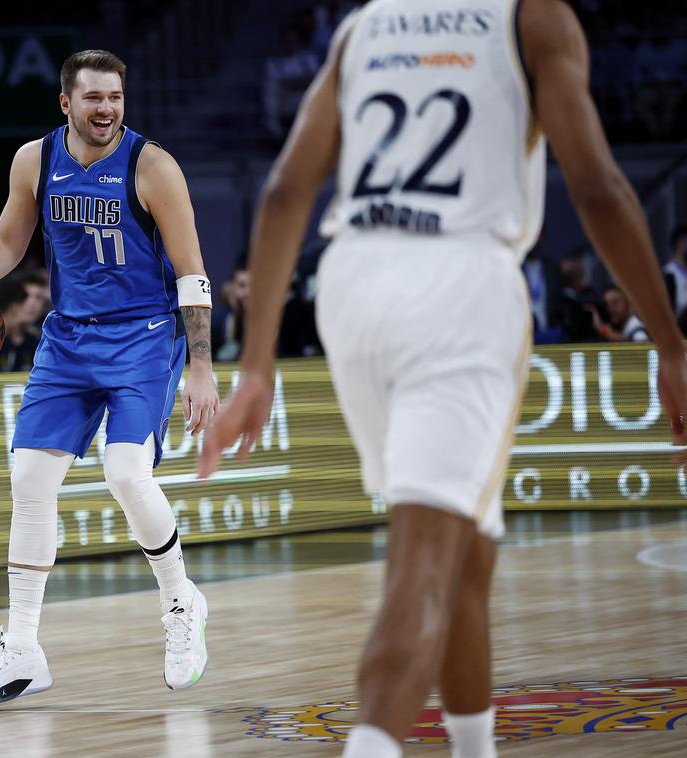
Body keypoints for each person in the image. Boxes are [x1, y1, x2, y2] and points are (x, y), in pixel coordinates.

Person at [198, 1, 687, 757]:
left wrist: (256, 364)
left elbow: (286, 192)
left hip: (352, 284)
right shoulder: (535, 20)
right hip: (462, 283)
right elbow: (596, 188)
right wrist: (671, 344)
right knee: (422, 566)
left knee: (465, 551)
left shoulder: (365, 26)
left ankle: (475, 749)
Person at [0, 49, 219, 708]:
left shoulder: (153, 166)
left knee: (125, 474)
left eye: (115, 97)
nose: (106, 109)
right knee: (28, 480)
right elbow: (8, 242)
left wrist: (201, 366)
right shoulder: (35, 160)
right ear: (66, 103)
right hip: (68, 340)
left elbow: (193, 273)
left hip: (142, 338)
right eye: (93, 98)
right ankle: (22, 648)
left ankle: (181, 602)